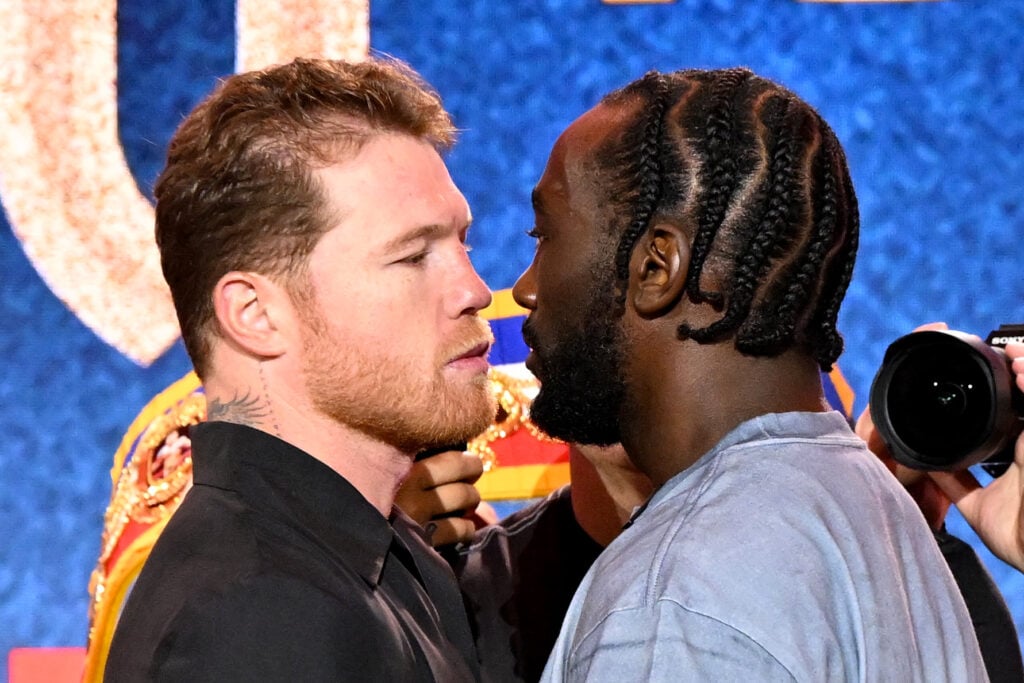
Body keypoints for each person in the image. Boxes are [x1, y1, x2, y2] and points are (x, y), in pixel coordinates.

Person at [511, 67, 989, 680]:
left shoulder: (677, 597)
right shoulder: (876, 517)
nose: (524, 289)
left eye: (543, 236)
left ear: (657, 267)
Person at [105, 56, 501, 681]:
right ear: (255, 314)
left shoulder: (375, 562)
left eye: (462, 243)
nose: (475, 290)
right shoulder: (257, 617)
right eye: (411, 257)